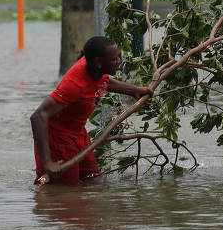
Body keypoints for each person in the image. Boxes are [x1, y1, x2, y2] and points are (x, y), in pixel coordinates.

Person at [31, 36, 153, 185]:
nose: (119, 61)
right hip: (58, 142)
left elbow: (104, 81)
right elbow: (38, 116)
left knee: (95, 181)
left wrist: (134, 90)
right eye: (114, 59)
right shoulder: (74, 85)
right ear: (98, 62)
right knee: (65, 191)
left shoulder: (95, 70)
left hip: (79, 134)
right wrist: (47, 162)